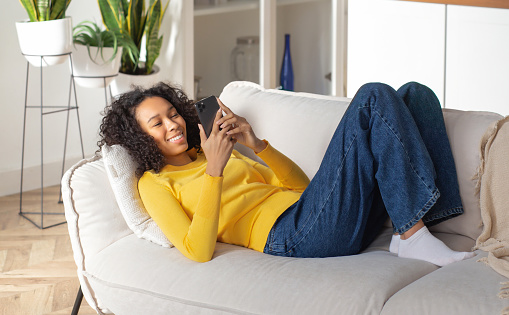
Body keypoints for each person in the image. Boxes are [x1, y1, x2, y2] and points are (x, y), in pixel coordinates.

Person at [98, 81, 476, 265]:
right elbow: (197, 251)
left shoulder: (214, 149)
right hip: (289, 236)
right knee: (373, 96)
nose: (173, 125)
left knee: (415, 95)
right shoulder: (155, 184)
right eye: (156, 123)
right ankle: (413, 237)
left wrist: (255, 143)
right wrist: (214, 169)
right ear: (140, 138)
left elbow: (302, 189)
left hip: (310, 215)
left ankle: (423, 224)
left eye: (173, 114)